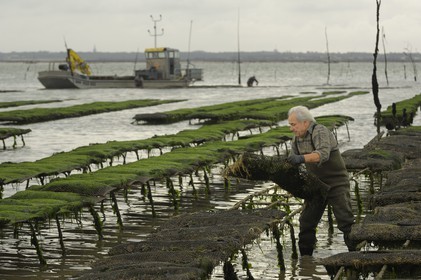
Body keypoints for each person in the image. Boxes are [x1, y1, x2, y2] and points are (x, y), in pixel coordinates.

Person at [287, 105, 355, 256]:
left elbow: (322, 154)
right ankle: (305, 262)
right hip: (315, 185)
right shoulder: (296, 140)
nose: (291, 128)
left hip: (336, 183)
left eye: (293, 124)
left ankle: (355, 256)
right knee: (306, 222)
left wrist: (301, 158)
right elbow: (292, 161)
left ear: (305, 122)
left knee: (345, 221)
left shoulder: (320, 131)